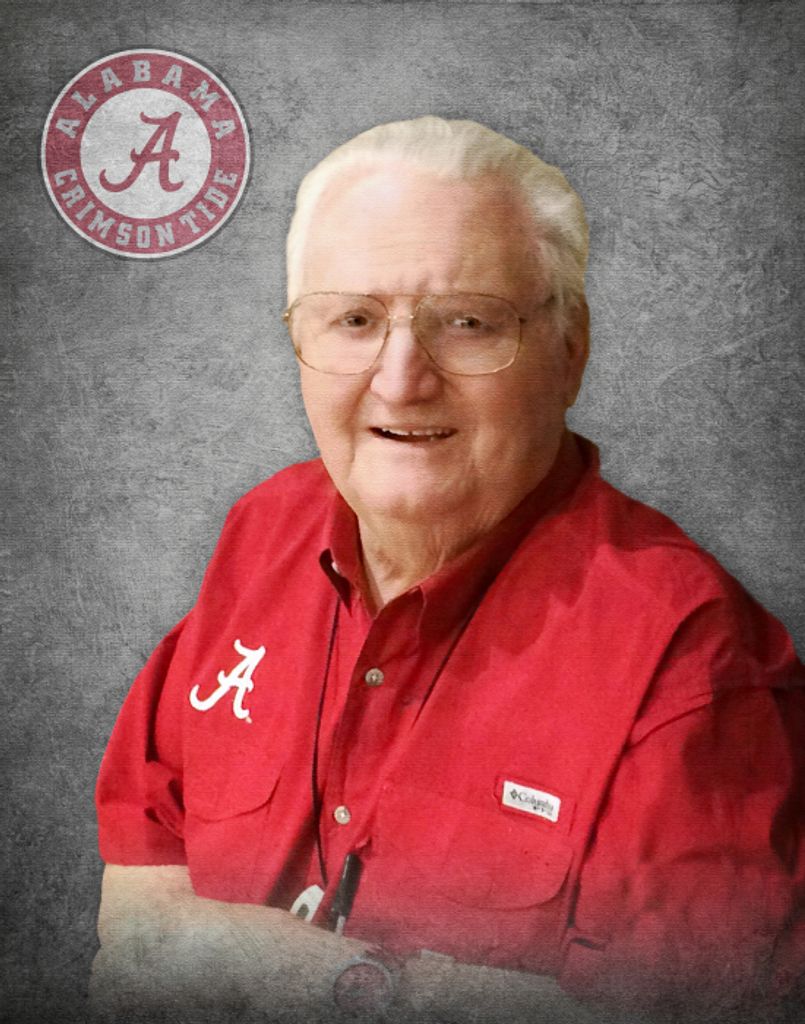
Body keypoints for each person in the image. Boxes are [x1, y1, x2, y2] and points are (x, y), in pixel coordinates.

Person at [92, 117, 804, 1023]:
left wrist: (324, 982)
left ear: (570, 349)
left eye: (467, 323)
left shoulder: (692, 659)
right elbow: (137, 915)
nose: (400, 380)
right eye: (354, 320)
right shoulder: (261, 532)